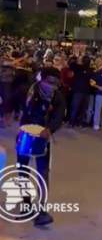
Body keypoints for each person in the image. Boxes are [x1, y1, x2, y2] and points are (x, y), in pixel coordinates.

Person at [18, 67, 66, 226]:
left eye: (56, 83)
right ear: (41, 79)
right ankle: (26, 205)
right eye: (49, 82)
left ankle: (42, 211)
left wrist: (50, 129)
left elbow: (59, 115)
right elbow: (12, 99)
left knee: (42, 173)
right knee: (22, 171)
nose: (52, 86)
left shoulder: (57, 97)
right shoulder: (29, 90)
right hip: (25, 132)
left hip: (43, 135)